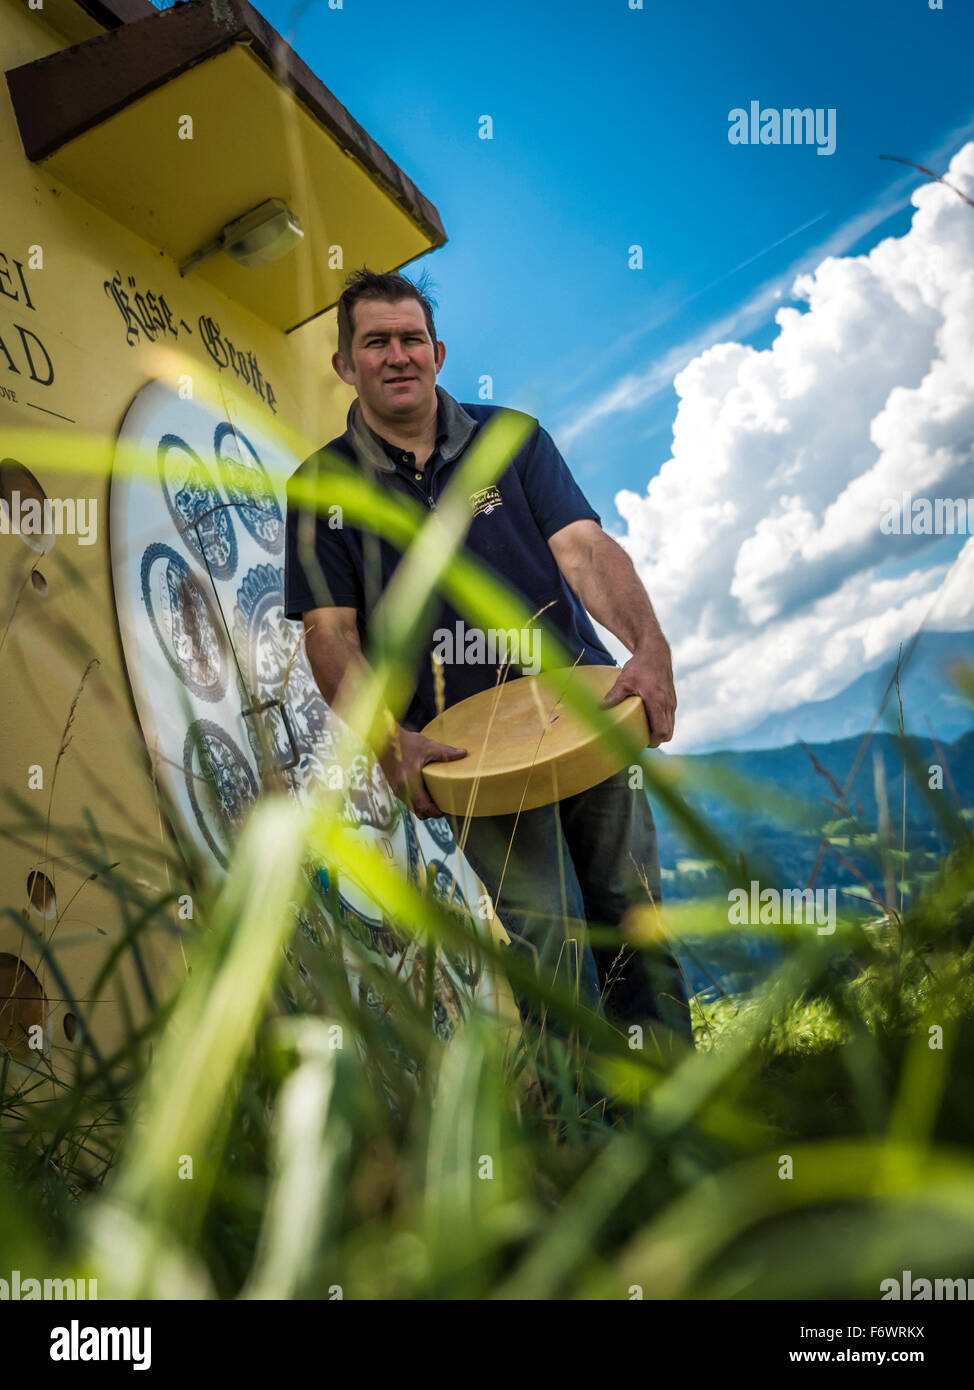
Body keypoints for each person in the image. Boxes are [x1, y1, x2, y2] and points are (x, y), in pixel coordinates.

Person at [284, 268, 693, 1066]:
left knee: (633, 919)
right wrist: (386, 737)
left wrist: (649, 648)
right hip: (468, 756)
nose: (396, 356)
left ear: (436, 352)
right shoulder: (321, 486)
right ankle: (591, 1145)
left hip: (586, 708)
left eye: (410, 339)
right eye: (375, 343)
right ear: (344, 365)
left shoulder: (513, 439)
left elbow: (582, 549)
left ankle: (675, 1108)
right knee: (549, 946)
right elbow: (330, 633)